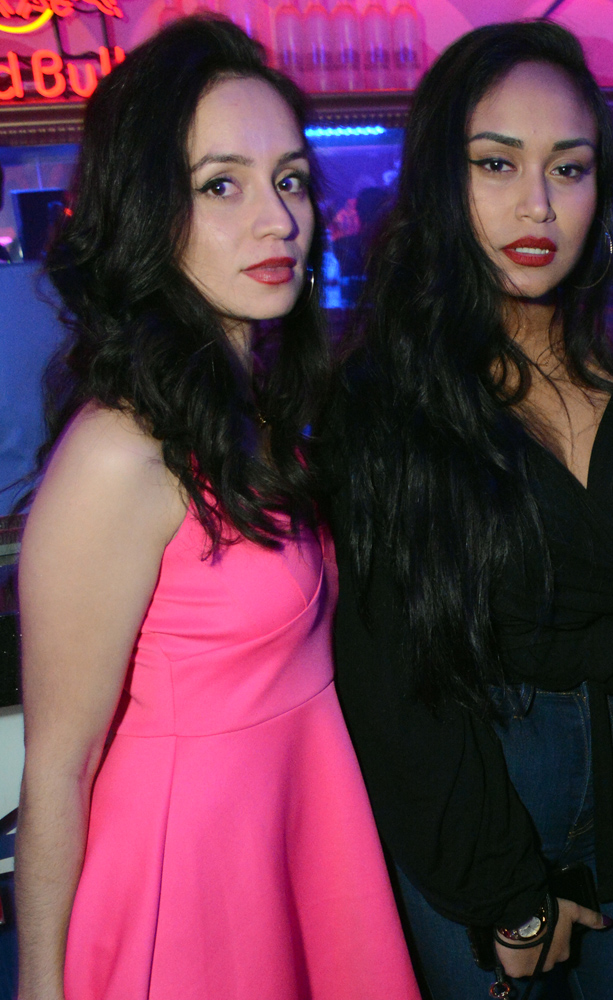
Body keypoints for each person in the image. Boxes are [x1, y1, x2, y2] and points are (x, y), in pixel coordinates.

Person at [14, 16, 421, 1000]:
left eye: (290, 180)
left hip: (296, 838)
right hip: (188, 883)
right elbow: (58, 769)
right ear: (148, 210)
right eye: (220, 185)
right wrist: (39, 985)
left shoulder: (258, 407)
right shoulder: (120, 451)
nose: (278, 220)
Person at [324, 20, 613, 1000]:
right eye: (495, 163)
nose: (537, 204)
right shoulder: (385, 400)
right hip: (472, 806)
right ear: (442, 178)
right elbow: (393, 677)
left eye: (569, 168)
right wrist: (505, 896)